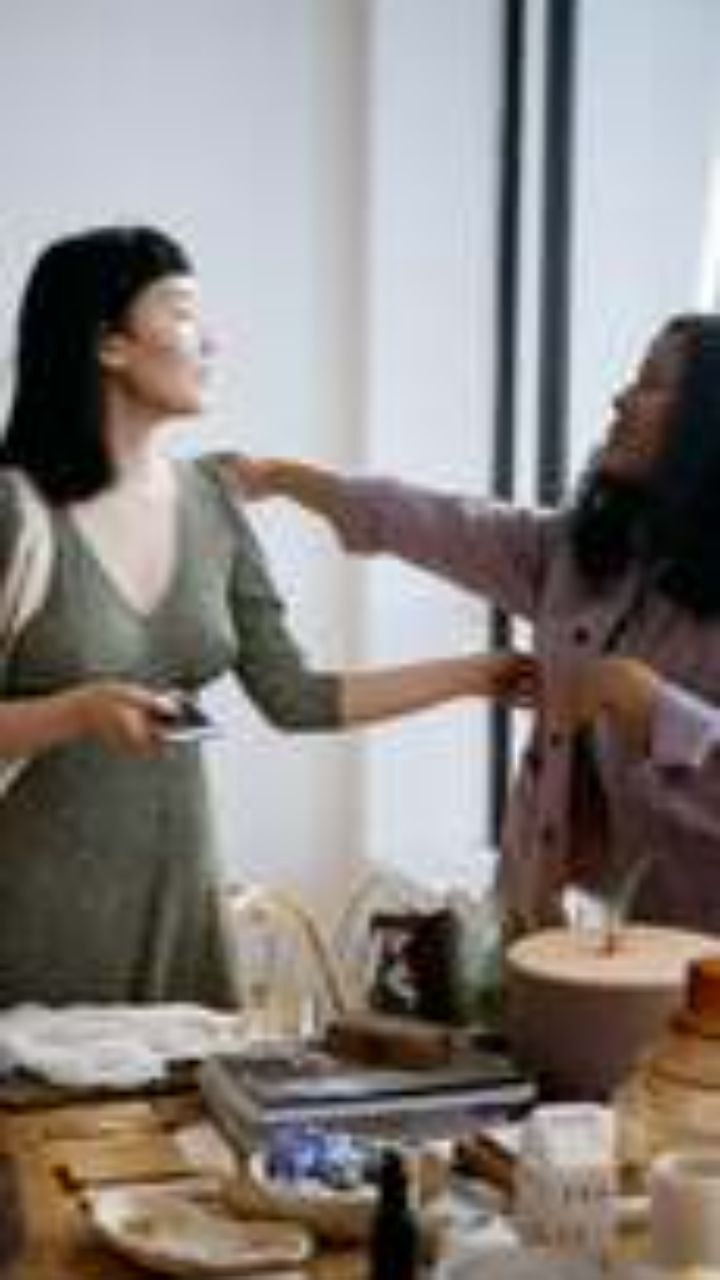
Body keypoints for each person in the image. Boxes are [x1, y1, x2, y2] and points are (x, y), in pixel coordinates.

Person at [0, 225, 536, 1007]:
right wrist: (76, 712)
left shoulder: (213, 502)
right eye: (183, 315)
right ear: (109, 344)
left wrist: (481, 675)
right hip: (34, 912)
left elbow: (295, 697)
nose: (211, 341)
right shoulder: (15, 510)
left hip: (181, 899)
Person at [230, 314, 720, 935]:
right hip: (548, 925)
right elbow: (441, 522)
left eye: (650, 384)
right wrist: (280, 477)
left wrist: (657, 710)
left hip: (691, 949)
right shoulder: (588, 551)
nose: (620, 399)